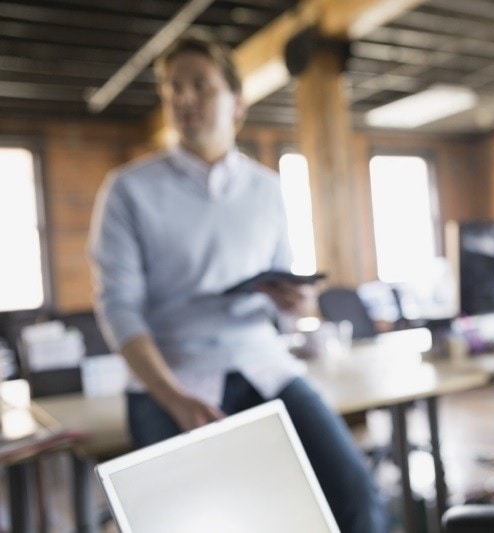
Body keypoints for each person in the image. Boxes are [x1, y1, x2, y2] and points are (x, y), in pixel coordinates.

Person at [88, 31, 387, 533]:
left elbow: (285, 307)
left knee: (358, 500)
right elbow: (118, 307)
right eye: (172, 88)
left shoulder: (267, 190)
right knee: (194, 522)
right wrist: (173, 396)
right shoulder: (127, 191)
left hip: (263, 366)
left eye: (199, 86)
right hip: (172, 381)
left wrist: (296, 302)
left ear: (237, 104)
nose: (184, 98)